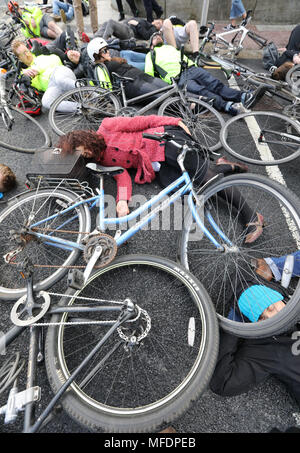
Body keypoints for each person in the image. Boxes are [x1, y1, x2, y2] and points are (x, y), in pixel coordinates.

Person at [54, 114, 263, 245]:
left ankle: (251, 216)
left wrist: (176, 122)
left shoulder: (107, 126)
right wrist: (121, 201)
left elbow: (144, 121)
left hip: (163, 140)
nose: (86, 155)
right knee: (183, 191)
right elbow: (122, 175)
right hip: (154, 165)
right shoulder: (100, 160)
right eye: (82, 155)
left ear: (83, 140)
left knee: (205, 179)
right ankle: (223, 166)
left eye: (82, 151)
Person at [209, 251, 300, 408]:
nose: (270, 318)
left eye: (270, 308)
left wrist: (276, 265)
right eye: (260, 318)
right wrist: (235, 328)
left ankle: (272, 267)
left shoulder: (294, 305)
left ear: (281, 299)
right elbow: (221, 382)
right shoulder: (265, 349)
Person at [145, 33, 268, 115]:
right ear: (151, 45)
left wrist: (195, 65)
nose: (158, 37)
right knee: (203, 92)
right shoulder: (150, 55)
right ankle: (229, 106)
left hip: (191, 68)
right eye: (155, 37)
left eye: (159, 35)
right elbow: (149, 74)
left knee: (215, 84)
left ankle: (243, 97)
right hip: (178, 78)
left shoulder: (170, 47)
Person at [86, 37, 171, 100]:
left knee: (169, 88)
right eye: (104, 51)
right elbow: (105, 87)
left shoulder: (112, 59)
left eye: (107, 49)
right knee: (162, 97)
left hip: (141, 75)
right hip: (133, 84)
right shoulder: (100, 68)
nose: (108, 51)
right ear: (96, 55)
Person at [11, 38, 79, 112]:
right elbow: (20, 87)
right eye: (23, 54)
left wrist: (37, 69)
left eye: (26, 51)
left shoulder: (38, 54)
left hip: (59, 72)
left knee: (59, 79)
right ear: (19, 58)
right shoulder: (25, 72)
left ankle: (87, 92)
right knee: (46, 102)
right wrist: (23, 74)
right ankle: (81, 108)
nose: (27, 54)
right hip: (52, 86)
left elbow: (56, 59)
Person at [95, 17, 163, 42]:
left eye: (160, 24)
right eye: (159, 21)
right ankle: (95, 38)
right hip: (126, 27)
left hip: (130, 33)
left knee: (111, 22)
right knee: (106, 23)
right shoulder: (148, 23)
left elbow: (146, 35)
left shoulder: (153, 29)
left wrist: (137, 24)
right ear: (155, 20)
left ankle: (103, 43)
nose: (158, 23)